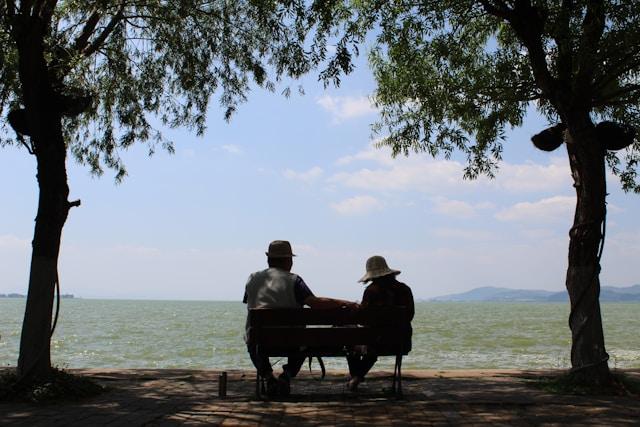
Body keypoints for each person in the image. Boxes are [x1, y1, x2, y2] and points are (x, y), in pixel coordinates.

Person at [243, 240, 357, 396]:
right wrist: (345, 303)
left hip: (261, 342)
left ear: (269, 259)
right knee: (303, 341)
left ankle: (269, 378)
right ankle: (286, 376)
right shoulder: (293, 280)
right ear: (288, 260)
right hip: (292, 342)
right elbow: (314, 303)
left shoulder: (252, 278)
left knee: (251, 340)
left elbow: (248, 302)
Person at [346, 255, 414, 391]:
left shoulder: (371, 291)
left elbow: (364, 319)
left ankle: (356, 377)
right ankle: (356, 378)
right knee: (371, 344)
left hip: (376, 342)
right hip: (401, 342)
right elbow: (410, 316)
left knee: (352, 342)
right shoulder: (404, 289)